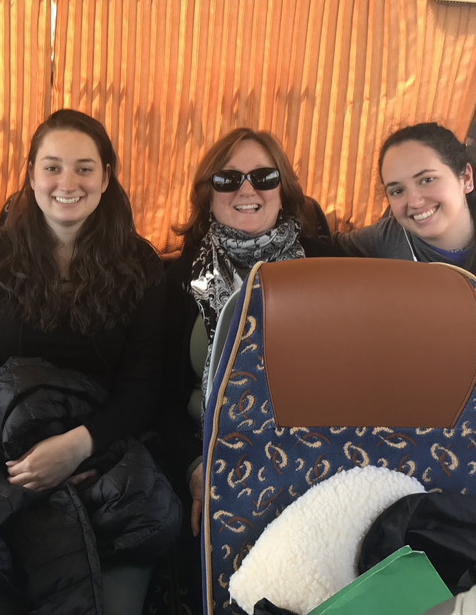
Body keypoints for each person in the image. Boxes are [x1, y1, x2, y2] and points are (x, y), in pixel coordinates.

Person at [0, 109, 173, 615]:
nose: (68, 182)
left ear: (106, 177)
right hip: (1, 457)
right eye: (53, 167)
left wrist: (78, 448)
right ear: (31, 175)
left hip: (104, 456)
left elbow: (146, 387)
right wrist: (30, 456)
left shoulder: (142, 265)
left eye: (85, 168)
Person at [163, 128, 332, 609]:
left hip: (312, 450)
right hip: (211, 452)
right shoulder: (177, 278)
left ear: (284, 188)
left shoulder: (330, 263)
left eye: (263, 176)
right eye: (228, 178)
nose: (247, 189)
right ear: (208, 192)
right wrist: (195, 469)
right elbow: (161, 396)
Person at [334, 122, 476, 445]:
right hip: (423, 428)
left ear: (465, 178)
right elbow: (319, 249)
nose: (414, 201)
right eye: (397, 190)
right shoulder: (386, 241)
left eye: (427, 179)